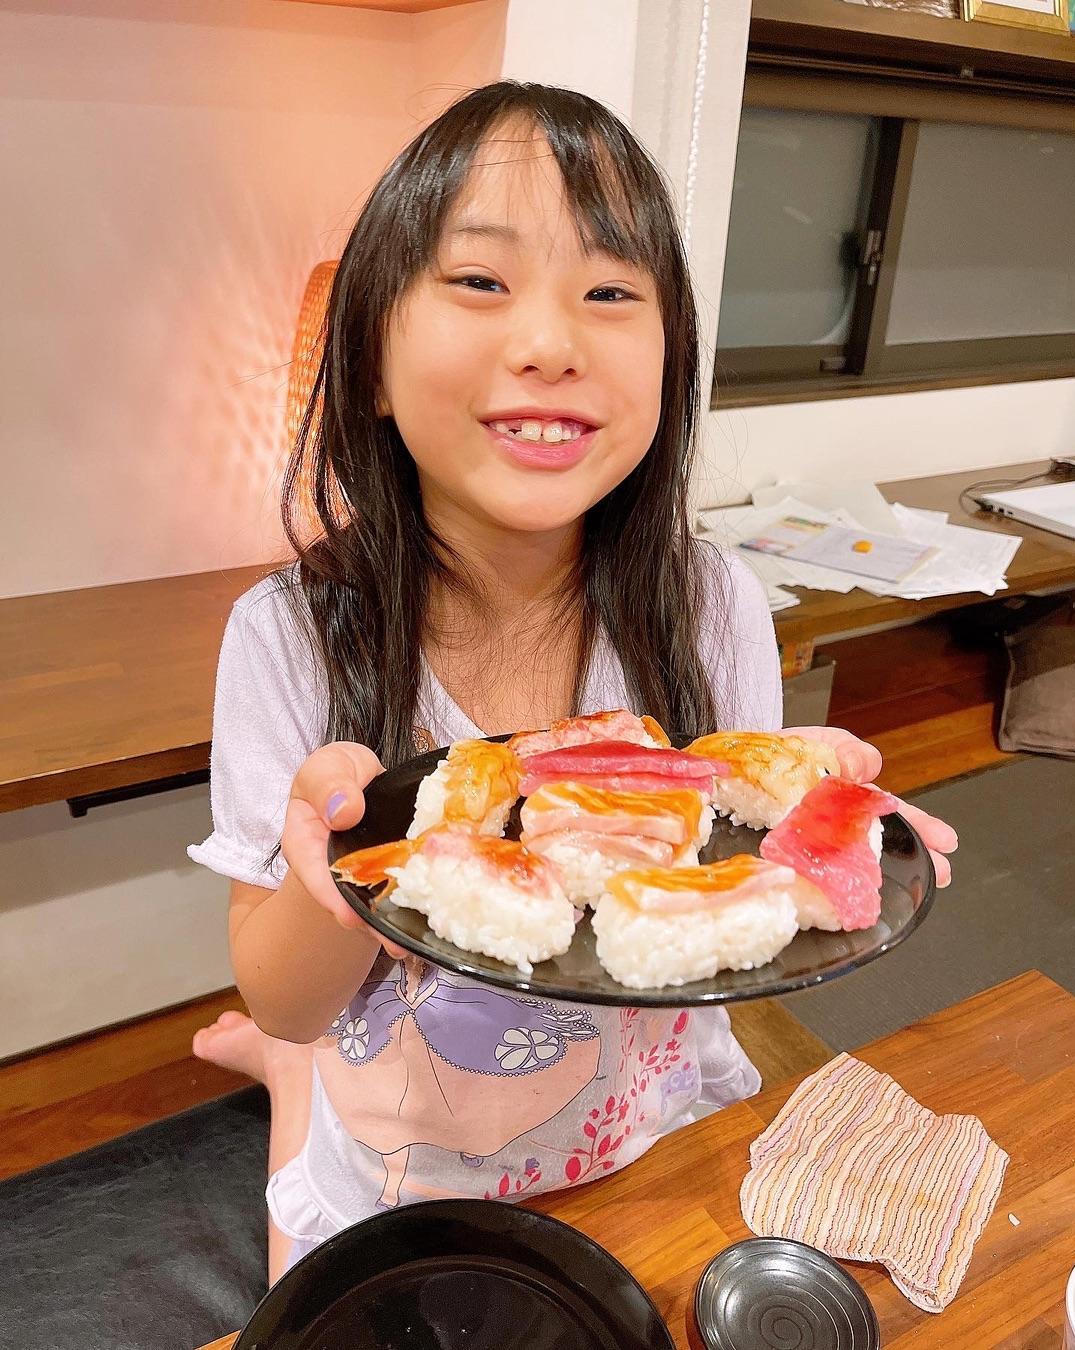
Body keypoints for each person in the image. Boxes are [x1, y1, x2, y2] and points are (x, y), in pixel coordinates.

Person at [188, 80, 957, 1285]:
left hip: (664, 1141)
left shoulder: (713, 606)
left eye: (609, 293)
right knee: (293, 1070)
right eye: (479, 280)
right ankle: (285, 1090)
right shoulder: (289, 637)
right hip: (407, 1181)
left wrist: (828, 840)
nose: (550, 344)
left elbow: (735, 877)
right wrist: (323, 874)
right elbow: (290, 997)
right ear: (372, 360)